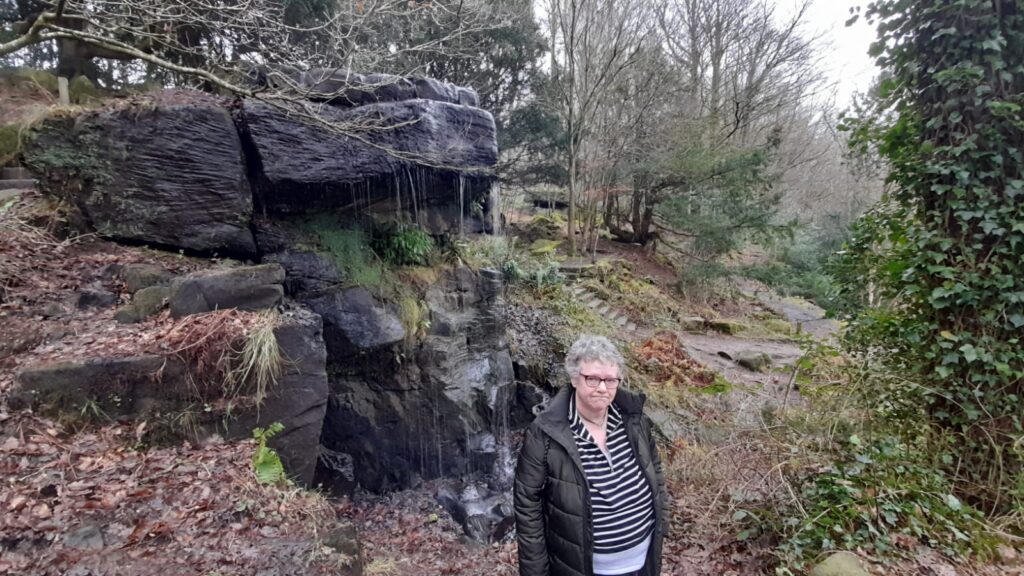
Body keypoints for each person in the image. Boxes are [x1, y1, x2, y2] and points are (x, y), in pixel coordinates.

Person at [514, 334, 668, 576]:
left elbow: (655, 469)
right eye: (593, 379)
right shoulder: (545, 433)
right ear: (575, 378)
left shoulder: (634, 421)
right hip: (585, 568)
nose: (603, 388)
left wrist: (663, 520)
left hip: (643, 562)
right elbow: (527, 504)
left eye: (610, 380)